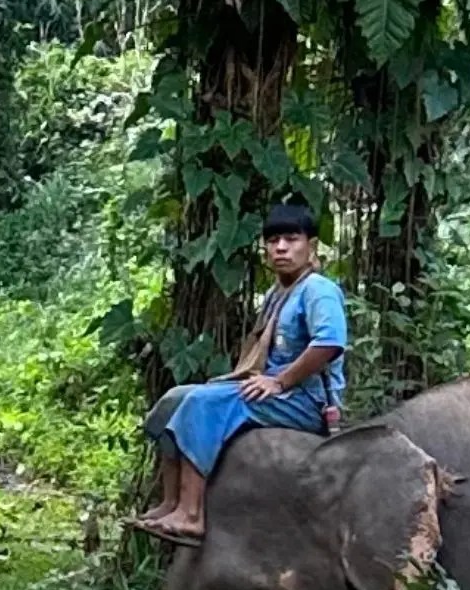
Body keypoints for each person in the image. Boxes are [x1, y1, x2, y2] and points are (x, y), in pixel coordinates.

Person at [134, 201, 348, 544]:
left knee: (203, 403)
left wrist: (280, 381)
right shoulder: (278, 292)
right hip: (277, 390)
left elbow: (330, 343)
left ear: (311, 246)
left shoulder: (317, 290)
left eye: (291, 239)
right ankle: (170, 501)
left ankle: (192, 514)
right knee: (174, 400)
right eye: (273, 241)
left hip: (306, 399)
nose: (280, 248)